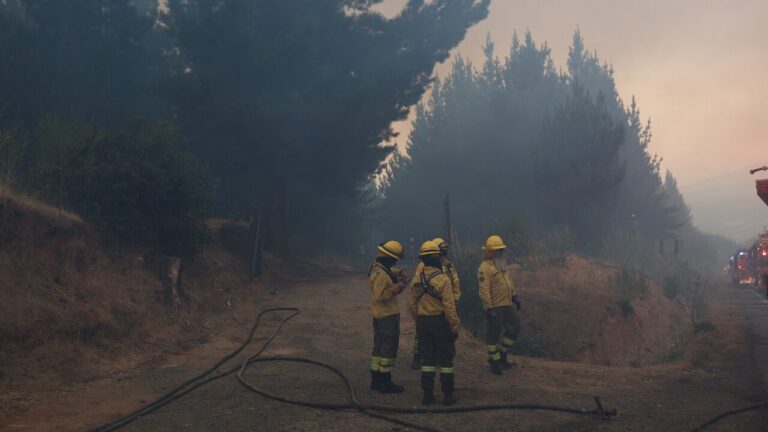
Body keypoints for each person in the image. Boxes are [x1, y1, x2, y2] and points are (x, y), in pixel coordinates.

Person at [409, 240, 460, 405]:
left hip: (423, 323)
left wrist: (419, 319)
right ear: (435, 258)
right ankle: (448, 395)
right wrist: (454, 326)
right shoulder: (443, 280)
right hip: (440, 322)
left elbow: (412, 304)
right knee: (445, 361)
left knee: (427, 361)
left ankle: (428, 395)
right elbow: (449, 308)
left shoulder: (416, 280)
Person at [477, 235, 522, 375]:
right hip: (495, 306)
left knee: (514, 328)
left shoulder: (501, 265)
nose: (501, 253)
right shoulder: (484, 268)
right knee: (493, 335)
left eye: (501, 250)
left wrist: (514, 296)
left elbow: (508, 282)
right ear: (491, 252)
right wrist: (488, 308)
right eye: (498, 250)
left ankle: (502, 353)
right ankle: (494, 361)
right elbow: (484, 289)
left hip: (507, 303)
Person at [369, 240, 409, 393]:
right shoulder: (380, 274)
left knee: (379, 347)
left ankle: (376, 379)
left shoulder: (379, 267)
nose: (395, 261)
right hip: (387, 316)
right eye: (394, 259)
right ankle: (385, 382)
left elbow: (389, 271)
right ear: (388, 257)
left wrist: (400, 273)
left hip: (380, 315)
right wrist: (399, 286)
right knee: (388, 348)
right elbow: (381, 295)